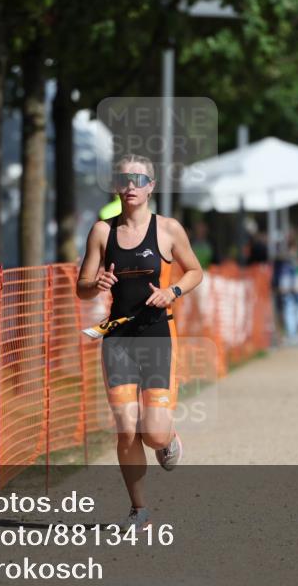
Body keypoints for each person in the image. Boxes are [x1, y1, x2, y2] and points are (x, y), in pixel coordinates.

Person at [76, 154, 203, 528]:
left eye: (138, 178)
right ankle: (139, 509)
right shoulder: (102, 231)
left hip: (158, 335)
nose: (131, 184)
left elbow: (196, 270)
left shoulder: (167, 229)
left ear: (151, 186)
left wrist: (173, 290)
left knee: (153, 432)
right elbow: (82, 288)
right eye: (124, 177)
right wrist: (94, 284)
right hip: (117, 338)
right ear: (117, 185)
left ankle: (167, 439)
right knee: (125, 427)